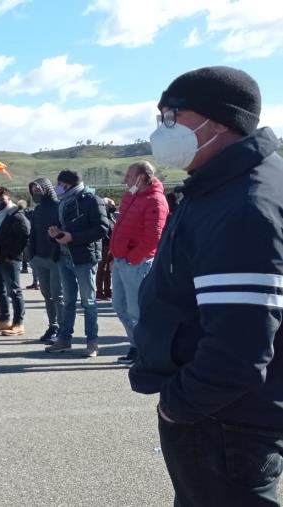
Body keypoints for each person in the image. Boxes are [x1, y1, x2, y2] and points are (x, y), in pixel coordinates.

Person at [129, 66, 283, 505]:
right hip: (231, 410)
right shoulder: (228, 186)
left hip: (226, 418)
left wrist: (177, 405)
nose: (163, 128)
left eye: (172, 116)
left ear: (218, 122)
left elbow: (239, 348)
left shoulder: (244, 202)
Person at [45, 170, 111, 358]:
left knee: (88, 302)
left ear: (69, 184)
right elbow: (58, 227)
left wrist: (73, 237)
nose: (58, 188)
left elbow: (102, 229)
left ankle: (92, 342)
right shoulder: (62, 203)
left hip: (84, 259)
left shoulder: (92, 200)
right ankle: (64, 339)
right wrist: (54, 234)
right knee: (68, 301)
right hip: (64, 257)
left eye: (60, 184)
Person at [110, 161, 168, 366]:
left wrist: (132, 258)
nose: (125, 179)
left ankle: (147, 353)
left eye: (129, 175)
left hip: (136, 263)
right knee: (120, 306)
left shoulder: (155, 200)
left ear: (141, 177)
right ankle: (137, 347)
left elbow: (154, 237)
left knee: (137, 311)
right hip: (122, 261)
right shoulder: (131, 197)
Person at [0, 187, 30, 337]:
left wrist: (12, 255)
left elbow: (25, 235)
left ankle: (18, 324)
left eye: (2, 199)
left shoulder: (15, 214)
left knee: (14, 291)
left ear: (8, 198)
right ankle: (4, 320)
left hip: (8, 261)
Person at [27, 178, 63, 344]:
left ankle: (62, 328)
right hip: (39, 259)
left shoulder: (59, 206)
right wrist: (32, 256)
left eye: (38, 190)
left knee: (58, 296)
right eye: (34, 191)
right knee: (47, 295)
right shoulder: (38, 210)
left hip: (56, 258)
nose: (36, 193)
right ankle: (53, 326)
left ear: (47, 189)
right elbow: (33, 233)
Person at [95, 198, 117, 301]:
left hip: (111, 246)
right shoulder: (102, 217)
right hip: (104, 246)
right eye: (111, 205)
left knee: (108, 270)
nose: (113, 207)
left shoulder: (111, 217)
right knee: (102, 268)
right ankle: (99, 292)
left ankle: (107, 290)